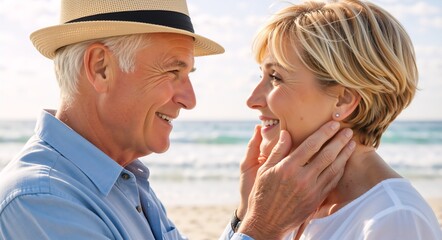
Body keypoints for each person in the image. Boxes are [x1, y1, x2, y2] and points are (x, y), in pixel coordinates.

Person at [0, 0, 356, 239]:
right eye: (173, 71)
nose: (189, 99)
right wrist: (263, 226)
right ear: (100, 67)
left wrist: (244, 216)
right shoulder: (40, 199)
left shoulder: (122, 180)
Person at [231, 0, 442, 239]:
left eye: (276, 77)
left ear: (343, 99)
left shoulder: (394, 218)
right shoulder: (289, 204)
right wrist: (249, 214)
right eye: (262, 75)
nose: (252, 100)